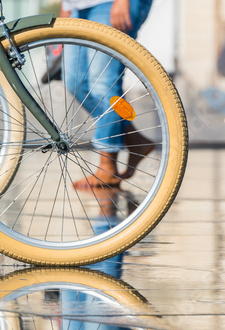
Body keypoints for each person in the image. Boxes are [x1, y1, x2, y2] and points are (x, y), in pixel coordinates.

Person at [60, 0, 154, 190]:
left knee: (103, 83)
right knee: (75, 82)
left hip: (110, 2)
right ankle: (134, 140)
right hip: (77, 6)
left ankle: (107, 167)